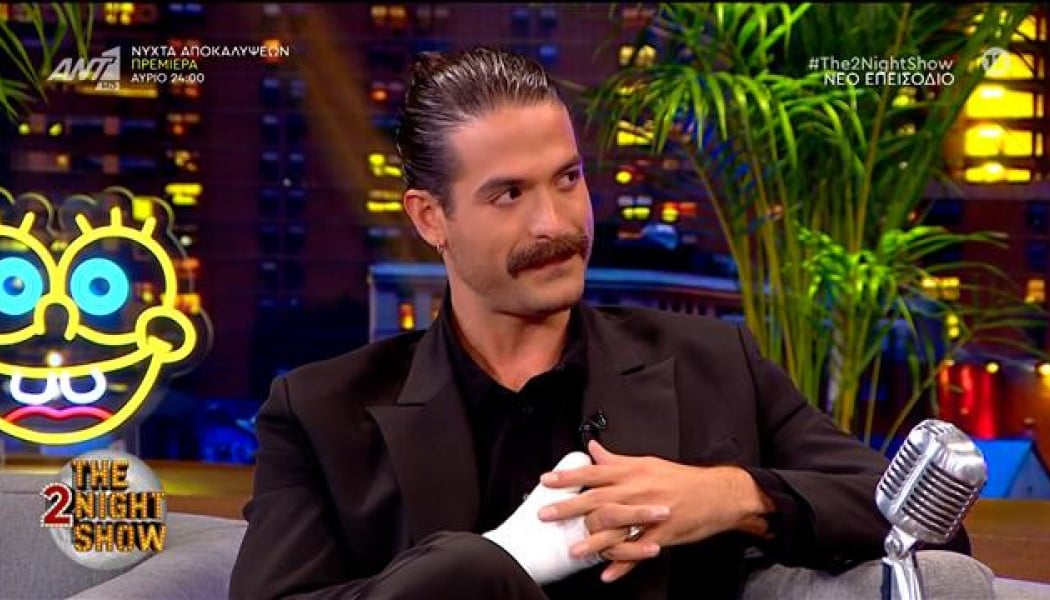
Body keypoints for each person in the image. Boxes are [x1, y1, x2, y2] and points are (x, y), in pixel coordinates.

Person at [229, 46, 970, 599]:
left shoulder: (714, 363)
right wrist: (498, 563)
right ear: (430, 218)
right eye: (509, 195)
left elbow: (926, 527)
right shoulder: (320, 412)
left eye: (568, 179)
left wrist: (732, 496)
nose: (555, 223)